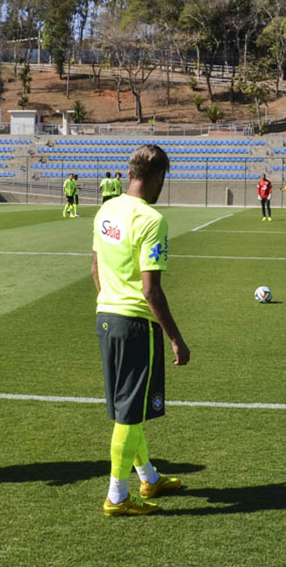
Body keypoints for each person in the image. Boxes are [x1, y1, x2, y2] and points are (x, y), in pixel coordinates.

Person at [91, 144, 189, 516]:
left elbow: (95, 268)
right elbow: (151, 290)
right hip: (135, 326)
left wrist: (111, 304)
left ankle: (148, 476)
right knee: (129, 413)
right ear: (158, 176)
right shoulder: (151, 220)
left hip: (106, 318)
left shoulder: (106, 208)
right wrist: (176, 339)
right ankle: (117, 495)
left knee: (126, 405)